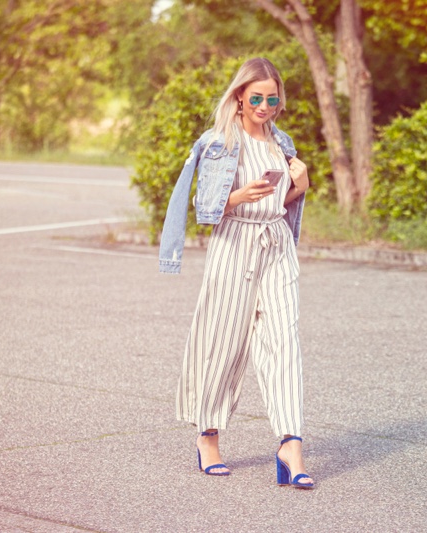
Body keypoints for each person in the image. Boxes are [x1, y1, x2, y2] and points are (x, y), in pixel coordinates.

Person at [159, 57, 314, 489]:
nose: (265, 105)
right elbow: (204, 210)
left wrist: (300, 184)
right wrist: (238, 195)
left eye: (273, 98)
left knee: (285, 340)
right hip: (235, 245)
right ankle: (207, 436)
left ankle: (291, 447)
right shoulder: (219, 142)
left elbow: (285, 203)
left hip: (276, 244)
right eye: (257, 98)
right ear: (240, 98)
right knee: (222, 342)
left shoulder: (283, 144)